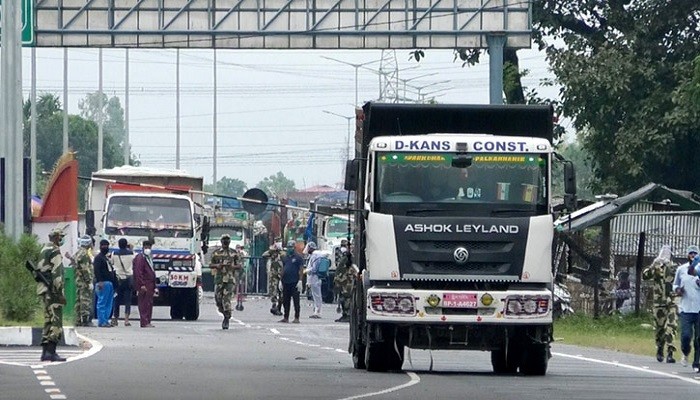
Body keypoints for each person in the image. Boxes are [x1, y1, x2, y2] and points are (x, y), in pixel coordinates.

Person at [642, 245, 678, 363]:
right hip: (659, 302)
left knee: (671, 325)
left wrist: (667, 265)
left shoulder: (675, 267)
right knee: (659, 328)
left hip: (672, 301)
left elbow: (674, 279)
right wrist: (654, 265)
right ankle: (660, 347)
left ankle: (670, 352)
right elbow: (645, 276)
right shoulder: (656, 267)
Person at [38, 228, 68, 362]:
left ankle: (45, 353)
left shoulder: (44, 249)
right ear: (56, 238)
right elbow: (57, 274)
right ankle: (51, 351)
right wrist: (60, 293)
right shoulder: (55, 251)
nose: (61, 240)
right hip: (53, 291)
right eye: (60, 237)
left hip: (43, 289)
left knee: (48, 320)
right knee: (56, 321)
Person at [673, 257, 700, 372]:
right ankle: (685, 351)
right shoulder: (681, 269)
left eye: (695, 253)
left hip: (699, 309)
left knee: (699, 338)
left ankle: (696, 363)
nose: (693, 255)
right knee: (686, 336)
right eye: (691, 253)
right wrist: (679, 290)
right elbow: (676, 285)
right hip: (686, 308)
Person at [210, 234, 241, 329]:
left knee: (226, 299)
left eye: (227, 240)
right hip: (219, 278)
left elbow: (239, 265)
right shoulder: (216, 253)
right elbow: (210, 264)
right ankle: (225, 313)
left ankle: (226, 318)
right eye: (224, 240)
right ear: (221, 241)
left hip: (230, 279)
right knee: (218, 299)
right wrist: (217, 266)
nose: (226, 241)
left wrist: (233, 267)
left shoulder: (234, 253)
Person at [66, 235, 95, 327]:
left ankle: (78, 320)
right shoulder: (85, 254)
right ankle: (86, 320)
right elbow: (85, 269)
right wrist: (89, 281)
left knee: (78, 301)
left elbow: (75, 263)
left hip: (78, 279)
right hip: (84, 281)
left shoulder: (78, 252)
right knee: (85, 300)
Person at [279, 240, 304, 323]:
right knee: (286, 300)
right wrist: (280, 280)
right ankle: (286, 317)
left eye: (291, 247)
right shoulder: (285, 257)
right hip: (286, 281)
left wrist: (300, 280)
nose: (290, 249)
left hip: (295, 281)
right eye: (288, 247)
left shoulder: (298, 257)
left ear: (294, 247)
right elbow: (283, 268)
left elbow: (301, 269)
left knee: (296, 301)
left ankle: (297, 317)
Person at [133, 240, 157, 328]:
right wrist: (141, 284)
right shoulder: (140, 257)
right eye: (146, 247)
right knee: (144, 303)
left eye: (149, 247)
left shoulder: (149, 257)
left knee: (149, 303)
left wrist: (155, 285)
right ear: (143, 247)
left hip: (150, 283)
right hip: (145, 283)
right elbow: (138, 272)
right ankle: (144, 321)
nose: (148, 249)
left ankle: (148, 321)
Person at [112, 238, 135, 327]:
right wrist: (131, 248)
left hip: (118, 279)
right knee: (128, 300)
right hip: (128, 278)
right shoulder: (131, 254)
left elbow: (112, 263)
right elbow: (134, 261)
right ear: (126, 245)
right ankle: (126, 320)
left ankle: (115, 318)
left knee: (116, 299)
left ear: (118, 245)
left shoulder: (114, 254)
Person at [93, 239, 116, 328]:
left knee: (108, 303)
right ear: (100, 246)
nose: (105, 247)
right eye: (103, 245)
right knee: (102, 302)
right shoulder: (98, 258)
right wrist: (100, 281)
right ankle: (102, 321)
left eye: (107, 245)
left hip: (109, 283)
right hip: (102, 283)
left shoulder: (106, 258)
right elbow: (97, 270)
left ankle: (106, 320)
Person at [333, 240, 354, 323]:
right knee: (342, 298)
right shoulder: (344, 256)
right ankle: (344, 314)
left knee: (346, 298)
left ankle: (347, 315)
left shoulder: (350, 257)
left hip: (347, 280)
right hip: (342, 280)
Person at [262, 237, 284, 316]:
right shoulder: (272, 252)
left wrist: (280, 251)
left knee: (282, 293)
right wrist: (272, 250)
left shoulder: (283, 252)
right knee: (273, 291)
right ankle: (274, 306)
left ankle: (279, 307)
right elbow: (264, 255)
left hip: (281, 275)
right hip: (273, 275)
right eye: (277, 242)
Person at [303, 241, 323, 319]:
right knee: (316, 295)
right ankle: (316, 310)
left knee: (317, 295)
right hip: (314, 278)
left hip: (315, 278)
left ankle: (318, 312)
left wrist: (306, 271)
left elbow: (314, 268)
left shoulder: (315, 256)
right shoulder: (315, 255)